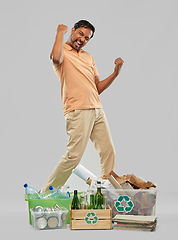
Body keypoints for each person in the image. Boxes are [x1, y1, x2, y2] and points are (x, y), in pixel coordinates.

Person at [42, 20, 124, 192]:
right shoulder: (62, 50)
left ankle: (106, 193)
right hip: (78, 110)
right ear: (73, 31)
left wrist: (115, 73)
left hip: (96, 109)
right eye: (80, 34)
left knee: (108, 152)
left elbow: (97, 87)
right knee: (74, 157)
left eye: (87, 38)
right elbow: (55, 58)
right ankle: (46, 193)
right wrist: (59, 33)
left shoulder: (89, 57)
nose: (82, 39)